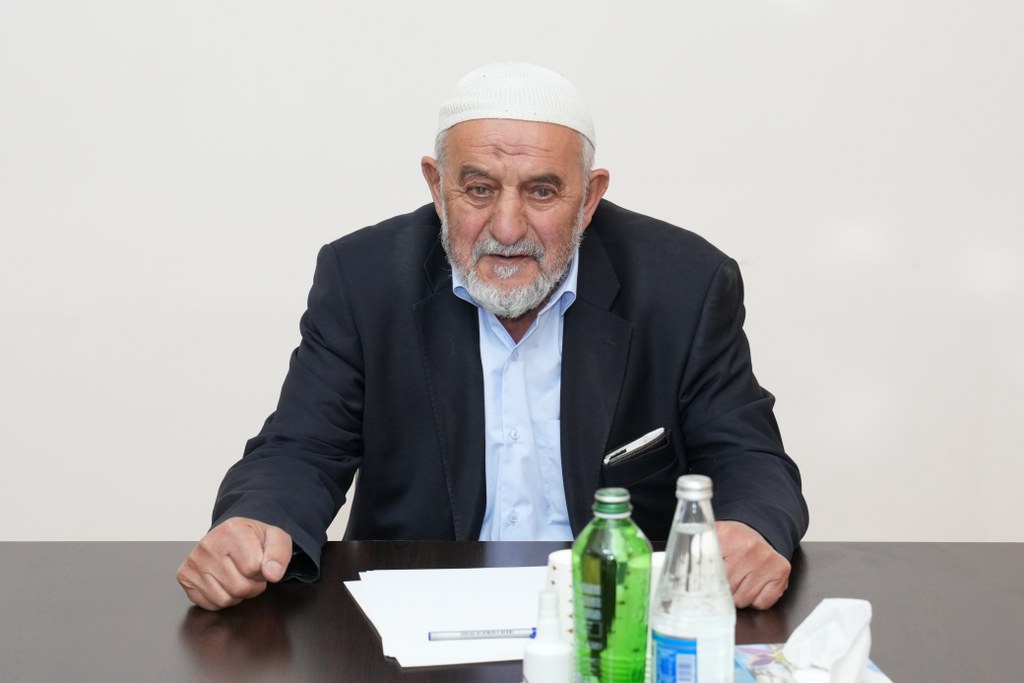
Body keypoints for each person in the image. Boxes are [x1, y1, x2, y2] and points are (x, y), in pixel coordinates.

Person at [177, 62, 808, 612]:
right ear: (436, 186)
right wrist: (254, 523)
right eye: (478, 189)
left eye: (542, 192)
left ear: (589, 198)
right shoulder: (362, 280)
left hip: (617, 618)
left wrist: (750, 527)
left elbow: (748, 456)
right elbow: (302, 448)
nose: (506, 228)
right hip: (414, 615)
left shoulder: (685, 285)